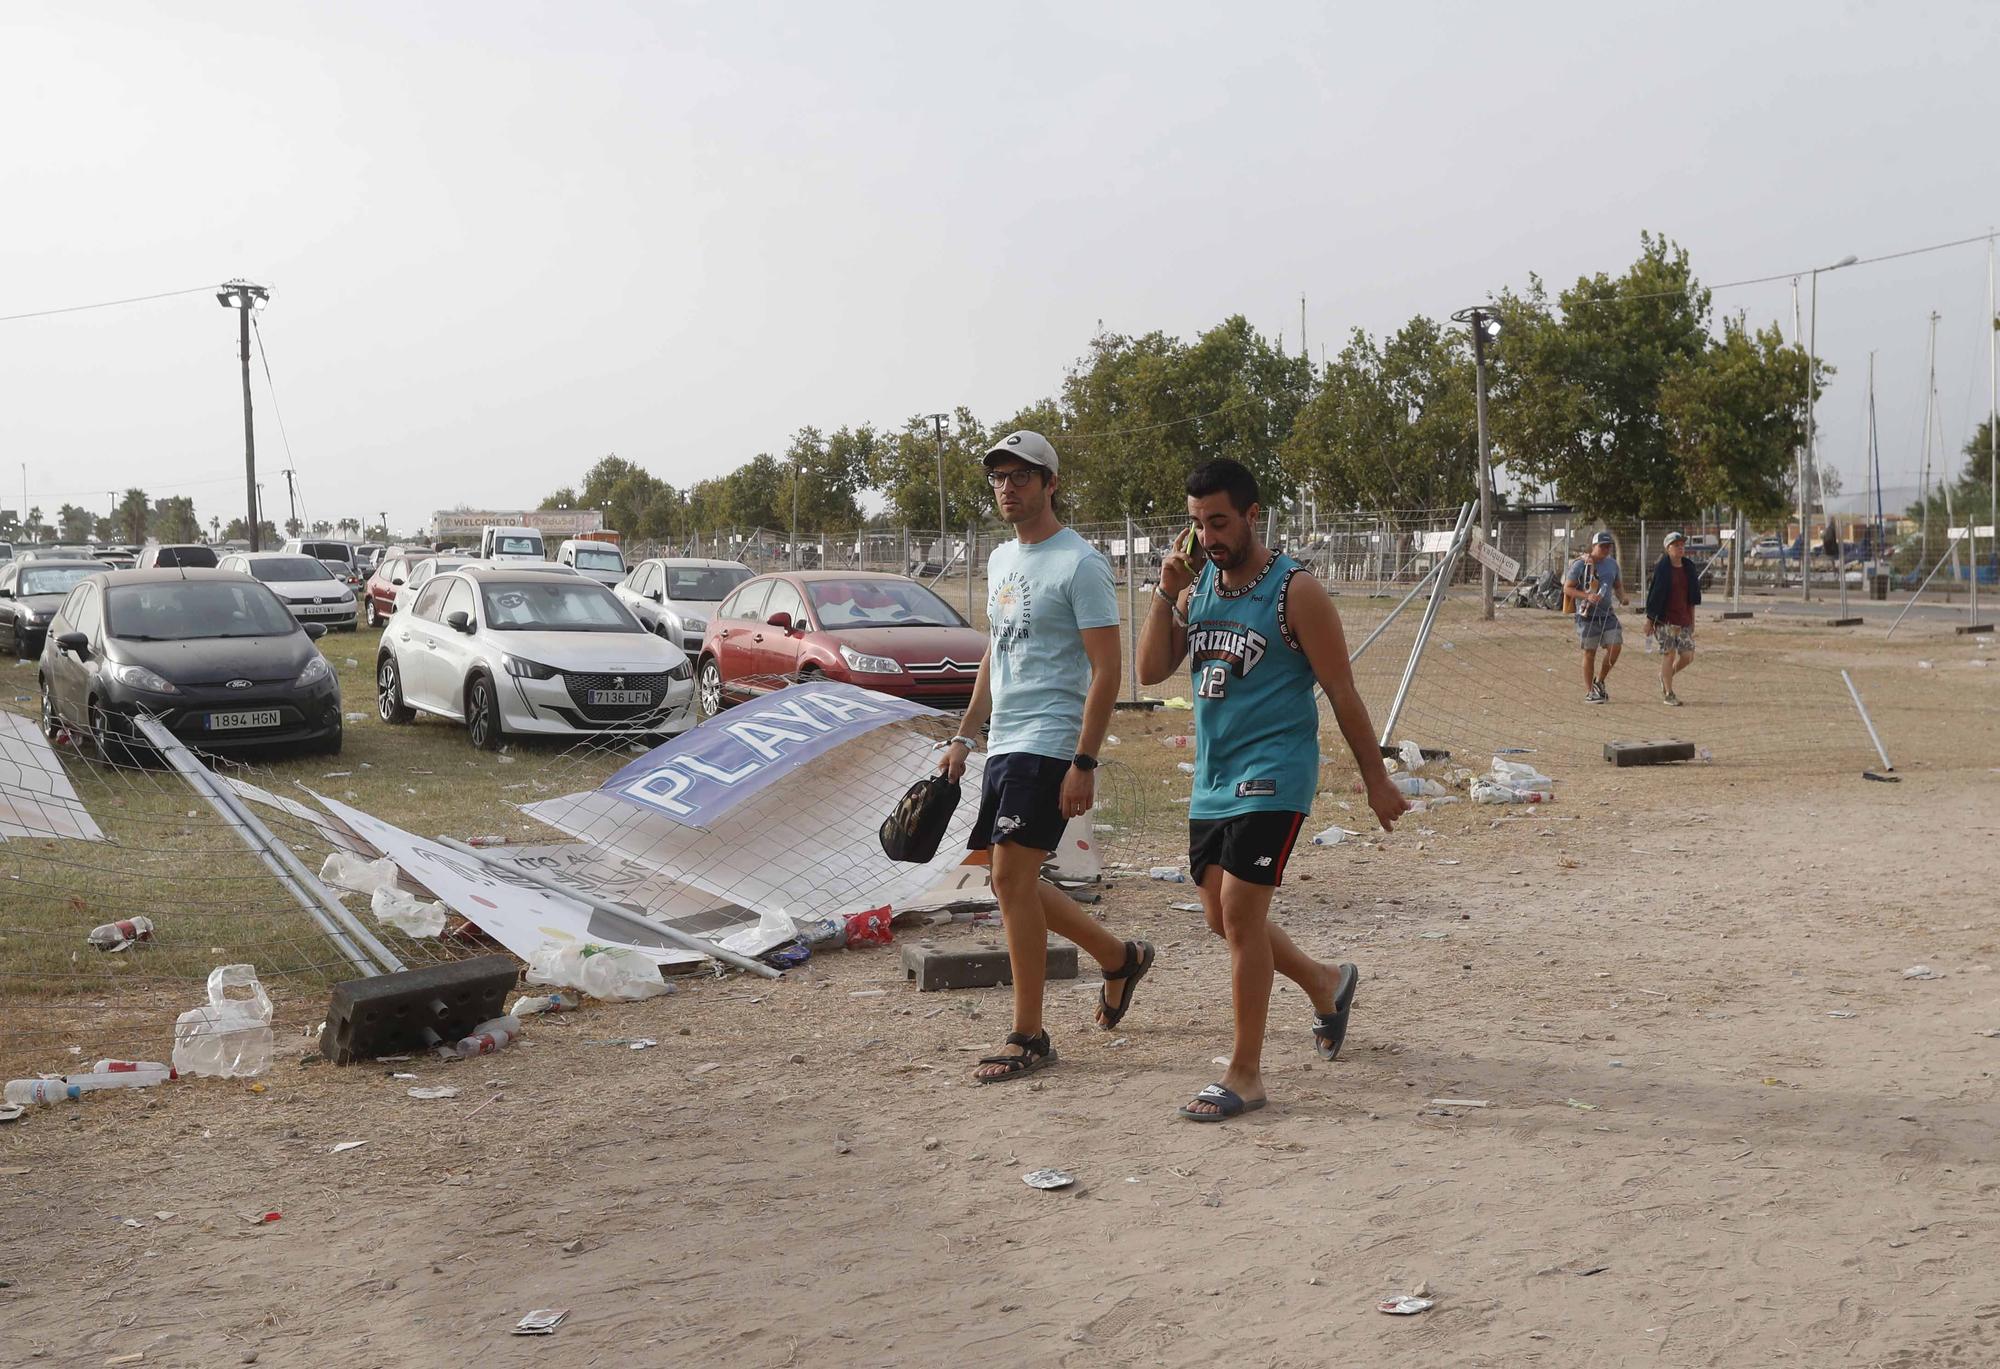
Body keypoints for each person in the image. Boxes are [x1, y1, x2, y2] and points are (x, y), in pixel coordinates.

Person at [1136, 458, 1406, 1122]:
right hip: (1213, 778)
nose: (1208, 538)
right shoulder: (1198, 587)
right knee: (1221, 917)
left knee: (1241, 913)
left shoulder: (1295, 591)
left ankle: (1245, 1072)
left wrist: (1377, 781)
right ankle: (1326, 982)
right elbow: (1149, 670)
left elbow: (1342, 691)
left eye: (1220, 522)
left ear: (1253, 515)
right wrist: (1165, 593)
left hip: (1275, 772)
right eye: (1197, 525)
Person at [938, 431, 1155, 1084]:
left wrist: (1084, 760)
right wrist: (965, 734)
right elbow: (995, 654)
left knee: (1007, 879)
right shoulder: (1002, 558)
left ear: (1050, 482)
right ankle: (1119, 957)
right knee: (1017, 881)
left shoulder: (1080, 562)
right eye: (999, 477)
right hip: (1005, 741)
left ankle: (1028, 1033)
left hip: (1052, 740)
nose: (1009, 487)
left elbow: (1108, 667)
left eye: (1022, 476)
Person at [1564, 531, 1629, 703]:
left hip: (1607, 615)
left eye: (1609, 546)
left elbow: (1618, 585)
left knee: (1616, 646)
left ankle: (1600, 681)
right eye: (1603, 546)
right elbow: (1567, 588)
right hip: (1587, 616)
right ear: (1594, 546)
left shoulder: (1613, 564)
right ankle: (1589, 691)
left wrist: (1623, 597)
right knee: (1589, 653)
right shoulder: (1581, 564)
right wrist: (1587, 596)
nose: (1606, 549)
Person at [1644, 529, 1702, 706]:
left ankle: (1665, 676)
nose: (1680, 548)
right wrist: (1650, 620)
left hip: (1683, 620)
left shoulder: (1689, 568)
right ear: (1668, 548)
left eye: (1682, 545)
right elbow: (1655, 595)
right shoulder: (1662, 569)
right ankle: (1669, 693)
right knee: (1669, 655)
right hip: (1664, 621)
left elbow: (1692, 597)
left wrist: (1692, 622)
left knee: (1688, 656)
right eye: (1676, 545)